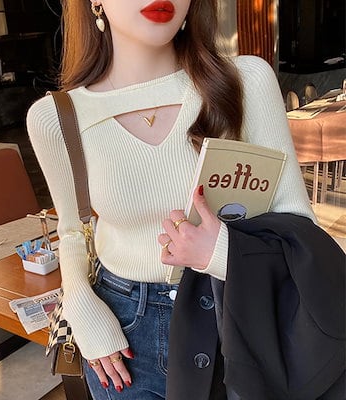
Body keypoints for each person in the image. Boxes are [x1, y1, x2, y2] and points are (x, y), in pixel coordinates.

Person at [26, 0, 323, 398]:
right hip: (123, 332)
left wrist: (222, 252)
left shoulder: (246, 81)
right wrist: (82, 304)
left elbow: (298, 225)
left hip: (237, 314)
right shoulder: (55, 117)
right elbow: (73, 230)